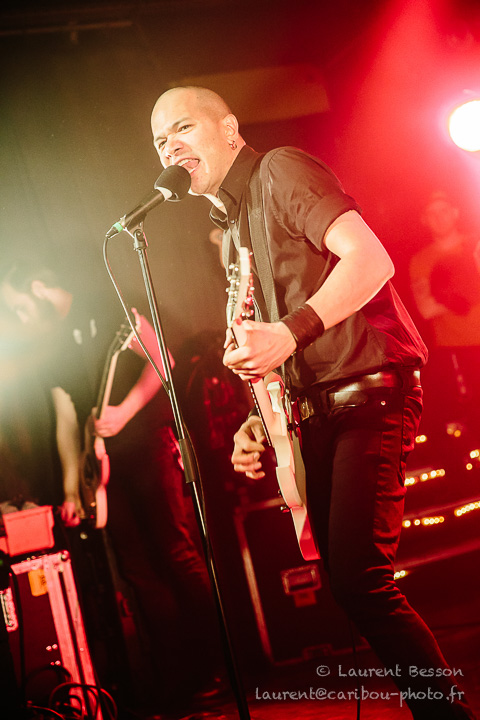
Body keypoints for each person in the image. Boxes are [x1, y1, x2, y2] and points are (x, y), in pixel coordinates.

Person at [150, 86, 477, 719]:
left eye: (183, 128)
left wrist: (289, 332)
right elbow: (279, 343)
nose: (170, 147)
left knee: (360, 579)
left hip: (367, 394)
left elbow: (371, 259)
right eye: (161, 141)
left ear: (229, 128)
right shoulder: (233, 228)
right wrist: (257, 420)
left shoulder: (280, 170)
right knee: (349, 583)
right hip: (317, 409)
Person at [1, 257, 223, 717]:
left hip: (148, 446)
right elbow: (66, 418)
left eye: (18, 305)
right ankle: (175, 681)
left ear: (38, 286)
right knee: (137, 571)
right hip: (102, 468)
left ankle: (216, 670)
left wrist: (124, 411)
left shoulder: (105, 305)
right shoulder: (52, 344)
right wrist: (70, 487)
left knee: (176, 553)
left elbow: (163, 361)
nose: (18, 316)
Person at [409, 191, 480, 432]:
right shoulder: (421, 260)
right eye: (432, 213)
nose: (439, 217)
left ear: (455, 212)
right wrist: (469, 291)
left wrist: (453, 295)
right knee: (469, 419)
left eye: (444, 210)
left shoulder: (476, 243)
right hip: (454, 352)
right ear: (424, 219)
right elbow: (426, 309)